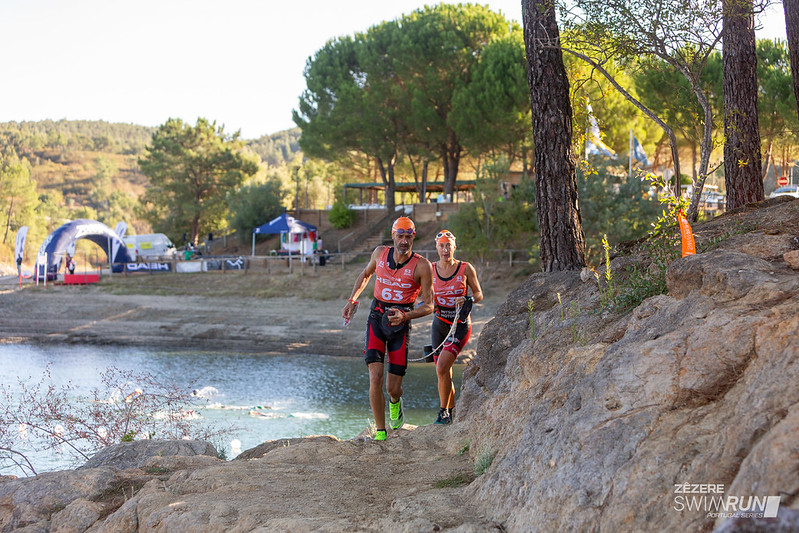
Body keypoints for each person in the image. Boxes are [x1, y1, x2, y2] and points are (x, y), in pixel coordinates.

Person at [342, 217, 434, 441]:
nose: (404, 241)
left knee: (393, 387)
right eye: (400, 236)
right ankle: (381, 432)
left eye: (408, 236)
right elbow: (365, 275)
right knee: (375, 375)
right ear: (393, 236)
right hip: (377, 317)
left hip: (400, 323)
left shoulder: (422, 265)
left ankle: (395, 402)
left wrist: (406, 315)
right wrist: (352, 300)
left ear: (413, 237)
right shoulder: (379, 254)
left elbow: (430, 305)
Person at [430, 229, 483, 425]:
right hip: (439, 325)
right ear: (437, 248)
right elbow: (421, 295)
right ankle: (451, 411)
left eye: (448, 246)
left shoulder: (465, 268)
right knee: (443, 372)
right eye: (441, 246)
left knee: (443, 367)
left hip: (459, 325)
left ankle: (443, 412)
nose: (445, 250)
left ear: (454, 247)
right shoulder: (430, 269)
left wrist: (468, 298)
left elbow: (479, 294)